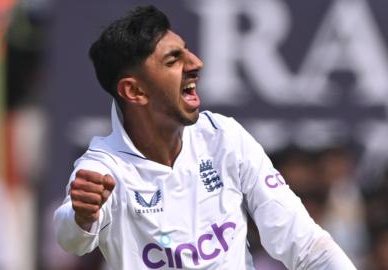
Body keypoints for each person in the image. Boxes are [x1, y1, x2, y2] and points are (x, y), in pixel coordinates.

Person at [54, 5, 356, 270]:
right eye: (173, 60)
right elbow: (71, 237)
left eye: (187, 51)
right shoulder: (104, 168)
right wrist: (81, 216)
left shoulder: (225, 137)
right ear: (134, 91)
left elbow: (305, 246)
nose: (196, 64)